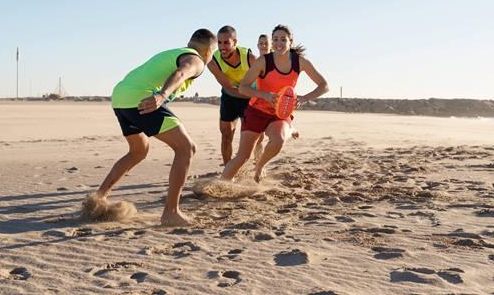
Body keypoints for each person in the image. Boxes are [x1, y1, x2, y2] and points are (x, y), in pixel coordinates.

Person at [93, 29, 217, 226]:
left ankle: (97, 199)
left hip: (120, 97)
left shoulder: (175, 52)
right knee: (186, 148)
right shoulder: (197, 60)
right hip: (142, 98)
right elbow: (182, 72)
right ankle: (171, 213)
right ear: (210, 51)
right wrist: (162, 95)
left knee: (138, 151)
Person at [221, 24, 329, 183]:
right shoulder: (264, 61)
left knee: (278, 140)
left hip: (280, 113)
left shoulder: (300, 62)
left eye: (283, 39)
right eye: (275, 39)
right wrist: (265, 95)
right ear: (272, 43)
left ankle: (259, 166)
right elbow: (243, 88)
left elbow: (324, 86)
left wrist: (305, 98)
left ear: (290, 41)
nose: (279, 43)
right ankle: (220, 184)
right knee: (243, 156)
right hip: (256, 111)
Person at [208, 25, 262, 164]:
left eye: (226, 42)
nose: (222, 47)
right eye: (219, 42)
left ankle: (258, 164)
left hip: (251, 98)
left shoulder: (250, 58)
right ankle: (227, 171)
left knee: (253, 137)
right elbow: (229, 88)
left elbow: (264, 81)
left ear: (235, 42)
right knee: (226, 135)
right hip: (230, 97)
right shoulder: (213, 62)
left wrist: (260, 96)